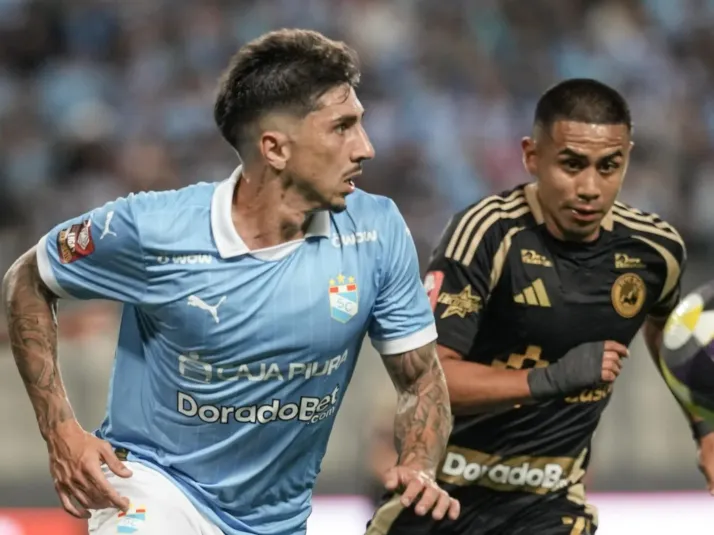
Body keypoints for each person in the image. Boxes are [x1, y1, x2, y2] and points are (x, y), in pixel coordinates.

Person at [2, 29, 459, 535]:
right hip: (153, 485)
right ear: (275, 148)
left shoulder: (376, 230)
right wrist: (61, 431)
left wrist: (418, 465)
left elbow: (421, 379)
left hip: (277, 519)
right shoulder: (154, 229)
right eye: (342, 127)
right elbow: (29, 278)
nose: (366, 148)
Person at [367, 78, 714, 535]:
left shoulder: (656, 251)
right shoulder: (485, 233)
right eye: (572, 164)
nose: (590, 187)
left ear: (627, 158)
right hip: (443, 491)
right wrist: (551, 379)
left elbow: (669, 332)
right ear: (532, 156)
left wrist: (706, 430)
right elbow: (428, 377)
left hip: (550, 501)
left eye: (609, 167)